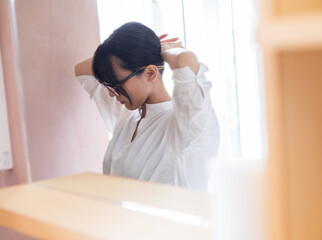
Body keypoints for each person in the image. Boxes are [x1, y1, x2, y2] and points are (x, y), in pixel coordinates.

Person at [74, 22, 219, 191]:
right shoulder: (127, 115)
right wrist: (139, 50)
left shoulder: (186, 126)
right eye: (107, 85)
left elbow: (184, 60)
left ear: (150, 73)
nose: (111, 94)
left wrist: (163, 50)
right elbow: (81, 70)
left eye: (115, 84)